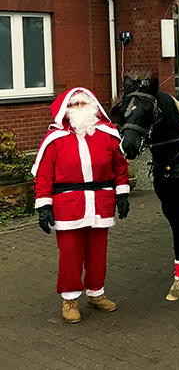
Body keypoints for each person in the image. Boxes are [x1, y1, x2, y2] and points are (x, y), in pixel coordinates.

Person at [31, 88, 131, 324]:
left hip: (100, 202)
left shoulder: (108, 135)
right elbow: (44, 176)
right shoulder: (54, 140)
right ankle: (70, 299)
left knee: (98, 252)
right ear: (66, 110)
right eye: (74, 105)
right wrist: (44, 206)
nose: (79, 108)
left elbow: (120, 167)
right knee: (70, 254)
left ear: (93, 106)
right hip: (68, 205)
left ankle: (96, 293)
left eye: (83, 104)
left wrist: (122, 194)